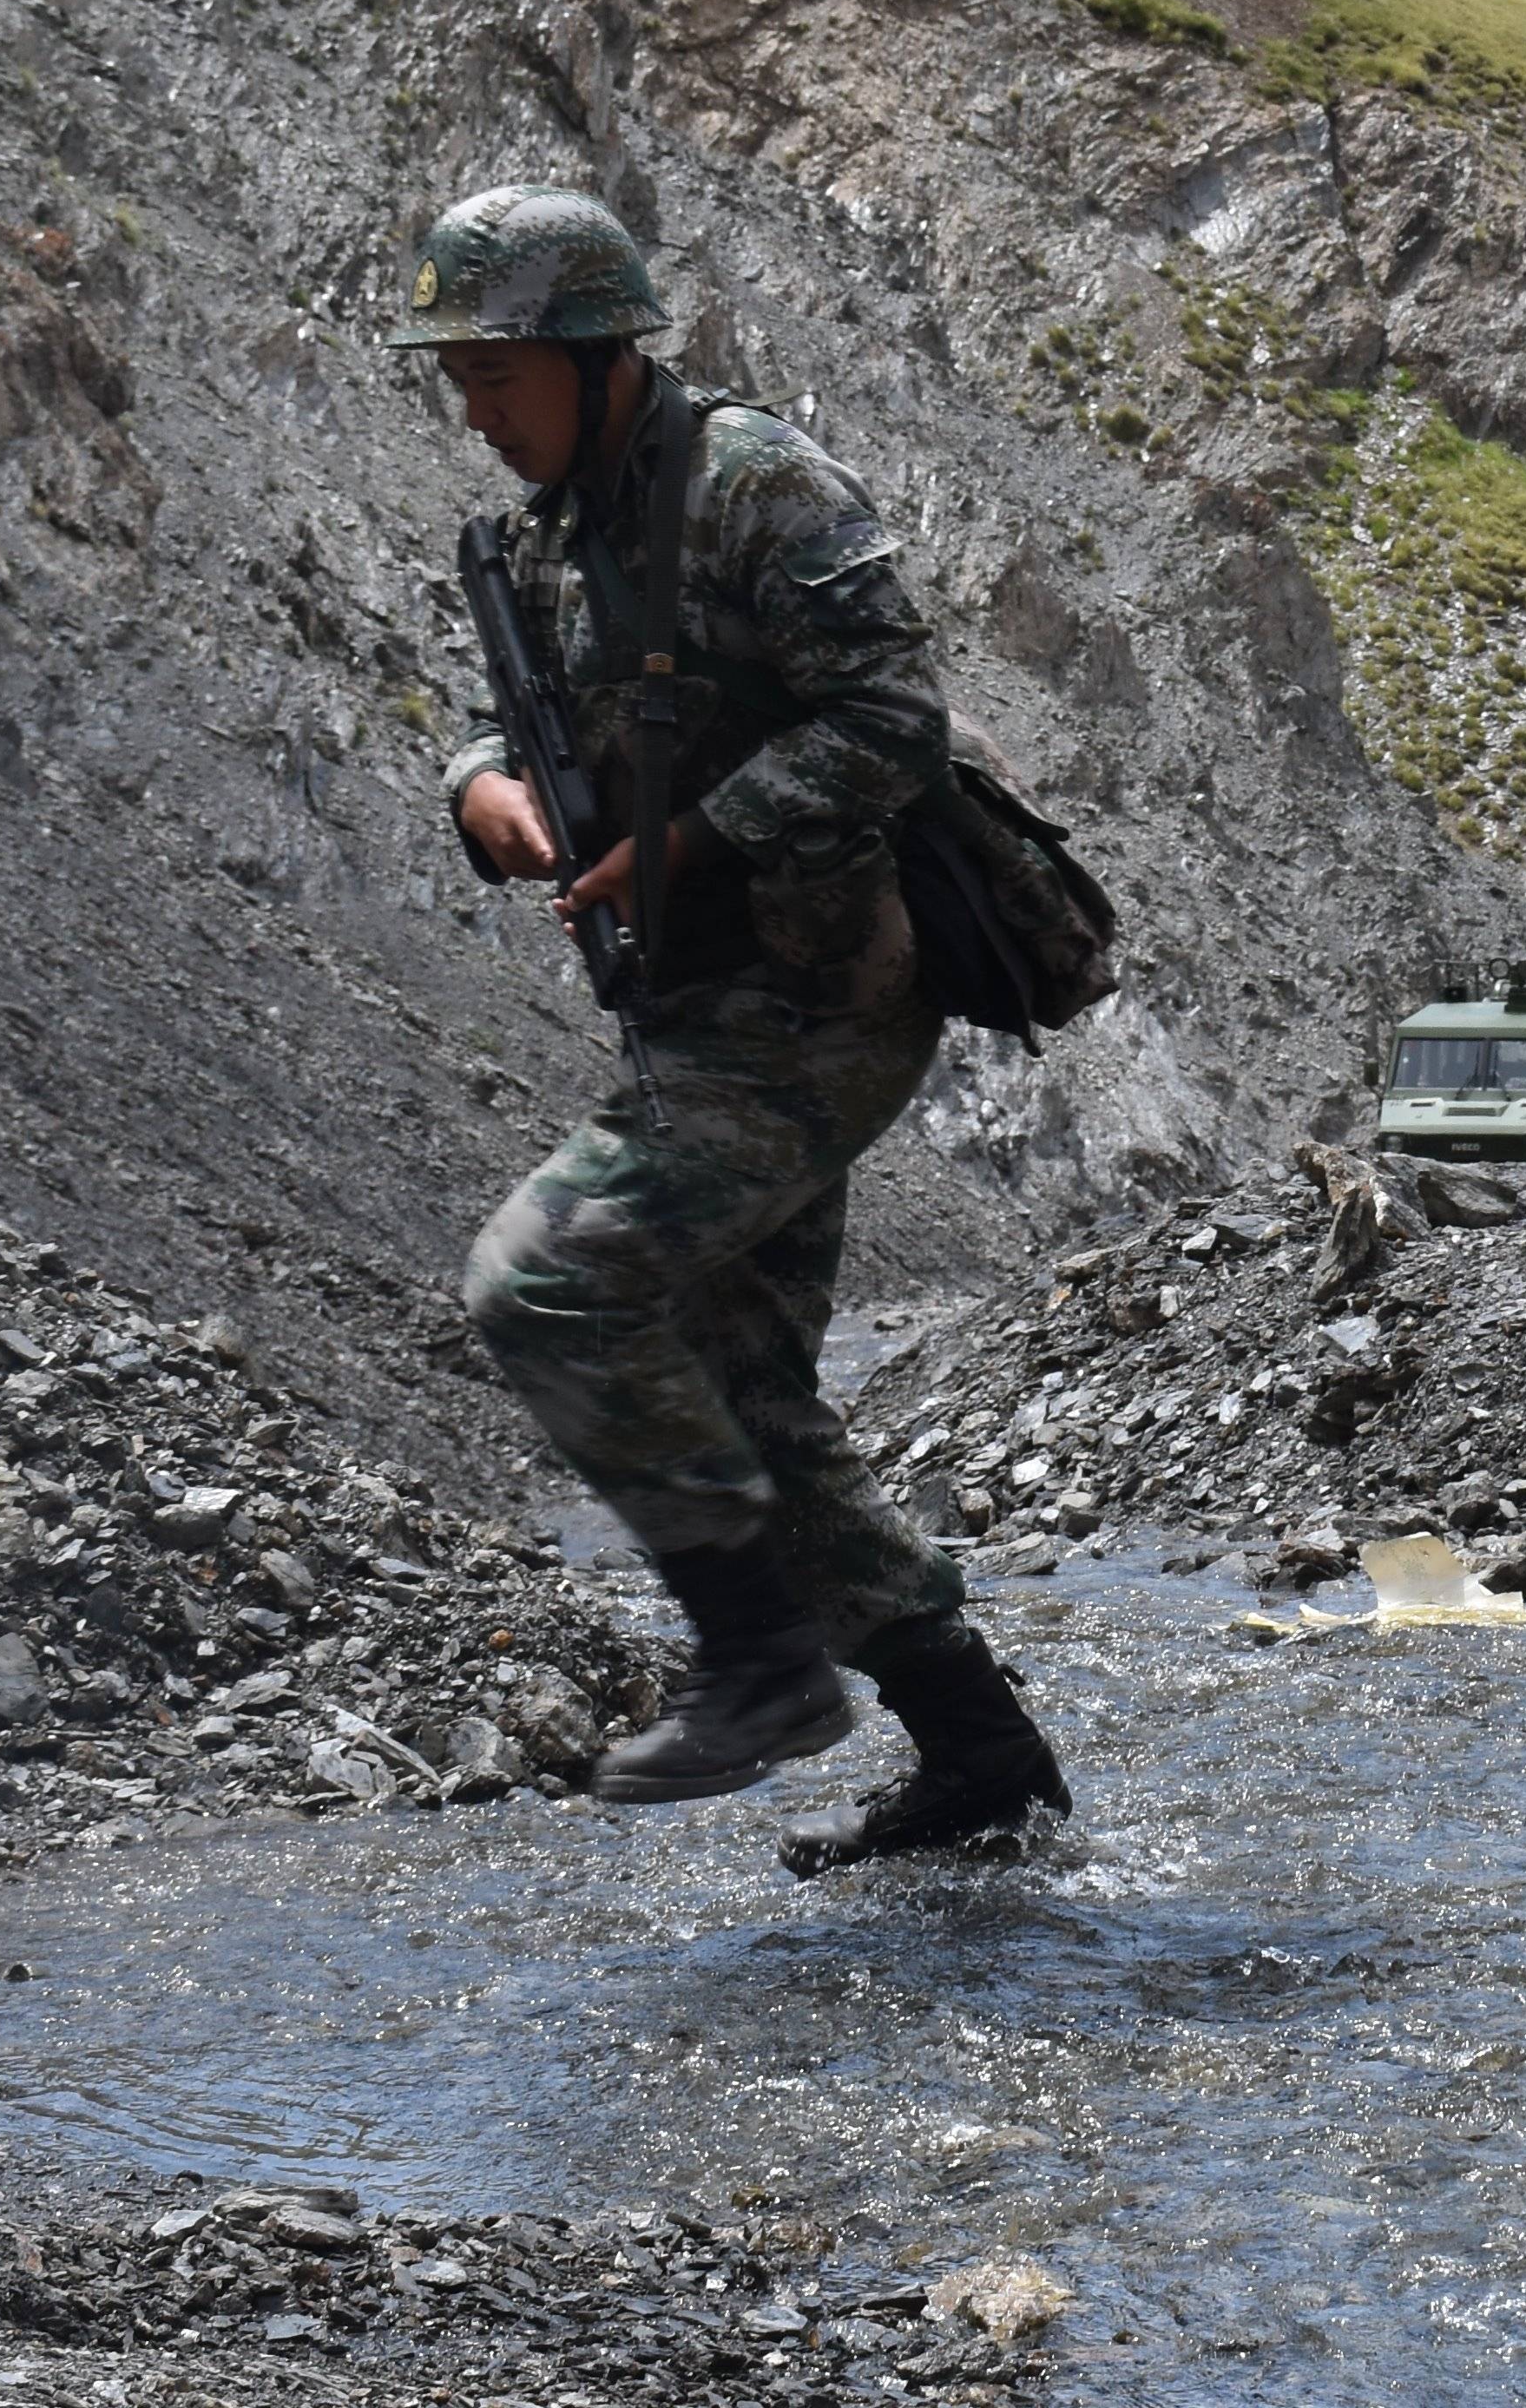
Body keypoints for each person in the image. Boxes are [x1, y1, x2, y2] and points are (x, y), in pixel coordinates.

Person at [394, 184, 1073, 1850]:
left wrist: (690, 842)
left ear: (589, 350)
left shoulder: (755, 484)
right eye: (459, 385)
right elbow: (522, 728)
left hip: (824, 1001)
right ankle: (983, 1762)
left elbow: (892, 720)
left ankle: (760, 1661)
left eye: (497, 378)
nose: (475, 416)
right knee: (751, 1394)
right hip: (701, 1009)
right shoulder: (555, 539)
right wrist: (483, 791)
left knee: (545, 1279)